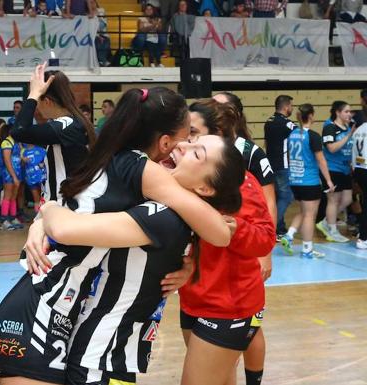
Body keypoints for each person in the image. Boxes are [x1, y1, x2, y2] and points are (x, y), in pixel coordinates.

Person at [0, 87, 233, 385]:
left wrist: (191, 261)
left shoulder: (115, 161)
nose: (185, 147)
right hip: (45, 306)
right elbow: (219, 232)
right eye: (188, 138)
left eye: (195, 146)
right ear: (165, 142)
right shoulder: (147, 177)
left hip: (62, 307)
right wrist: (47, 213)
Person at [26, 135, 245, 385]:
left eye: (196, 153)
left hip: (106, 355)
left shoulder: (165, 215)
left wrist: (47, 208)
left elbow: (66, 228)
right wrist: (42, 223)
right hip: (101, 356)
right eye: (190, 140)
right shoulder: (170, 211)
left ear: (205, 188)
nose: (182, 146)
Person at [179, 170, 275, 385]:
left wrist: (239, 232)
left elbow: (265, 235)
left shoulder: (240, 178)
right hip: (193, 296)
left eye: (194, 134)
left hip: (229, 304)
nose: (186, 144)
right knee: (221, 375)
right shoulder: (179, 175)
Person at [10, 64, 95, 202]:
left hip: (68, 204)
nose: (36, 108)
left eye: (37, 102)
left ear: (47, 101)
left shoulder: (65, 125)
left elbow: (18, 131)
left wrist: (33, 95)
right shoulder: (74, 122)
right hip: (68, 201)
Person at [281, 104, 334, 258]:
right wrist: (329, 181)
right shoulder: (313, 136)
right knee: (310, 215)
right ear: (311, 116)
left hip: (295, 180)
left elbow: (290, 156)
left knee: (303, 212)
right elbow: (321, 160)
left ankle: (289, 235)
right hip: (309, 181)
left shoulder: (292, 134)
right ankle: (307, 249)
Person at [316, 101, 357, 243]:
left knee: (348, 199)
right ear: (338, 113)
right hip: (332, 169)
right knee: (333, 201)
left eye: (350, 111)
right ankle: (332, 230)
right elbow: (332, 148)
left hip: (345, 169)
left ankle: (326, 222)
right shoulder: (330, 128)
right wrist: (348, 135)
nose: (349, 114)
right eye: (346, 111)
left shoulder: (347, 127)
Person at [264, 95, 295, 239]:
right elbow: (298, 138)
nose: (292, 109)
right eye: (291, 106)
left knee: (277, 197)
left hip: (270, 164)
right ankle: (273, 226)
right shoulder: (288, 124)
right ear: (286, 106)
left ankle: (280, 229)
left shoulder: (268, 122)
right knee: (287, 196)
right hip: (283, 165)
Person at [0, 123, 24, 230]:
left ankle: (13, 217)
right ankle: (4, 220)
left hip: (18, 172)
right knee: (7, 196)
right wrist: (13, 176)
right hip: (9, 173)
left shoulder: (17, 142)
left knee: (14, 196)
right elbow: (7, 161)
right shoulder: (6, 142)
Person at [352, 102, 367, 249]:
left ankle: (362, 234)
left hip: (359, 169)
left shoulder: (358, 130)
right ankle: (363, 237)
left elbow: (353, 155)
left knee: (363, 203)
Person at [21, 143, 47, 214]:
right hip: (31, 179)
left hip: (42, 178)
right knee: (36, 199)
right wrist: (23, 160)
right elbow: (21, 165)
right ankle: (38, 217)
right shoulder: (23, 151)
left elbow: (47, 161)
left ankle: (44, 216)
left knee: (44, 198)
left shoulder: (41, 149)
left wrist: (43, 164)